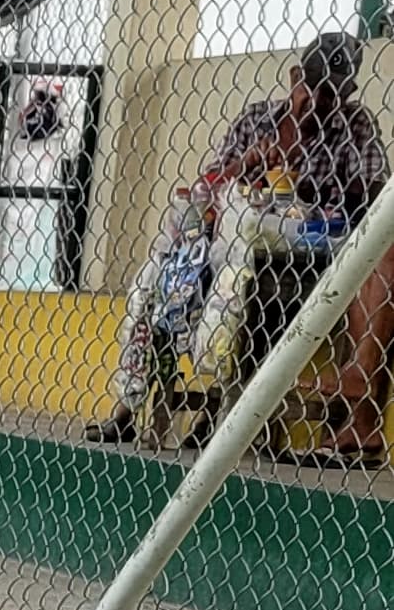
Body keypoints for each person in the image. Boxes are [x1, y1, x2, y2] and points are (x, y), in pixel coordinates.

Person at [97, 33, 394, 457]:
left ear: (346, 95)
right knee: (180, 278)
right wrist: (250, 162)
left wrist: (312, 187)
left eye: (331, 96)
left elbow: (379, 195)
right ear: (295, 77)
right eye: (311, 89)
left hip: (312, 254)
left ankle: (255, 409)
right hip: (237, 245)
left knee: (345, 264)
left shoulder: (353, 123)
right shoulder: (258, 118)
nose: (317, 103)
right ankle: (141, 405)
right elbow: (207, 187)